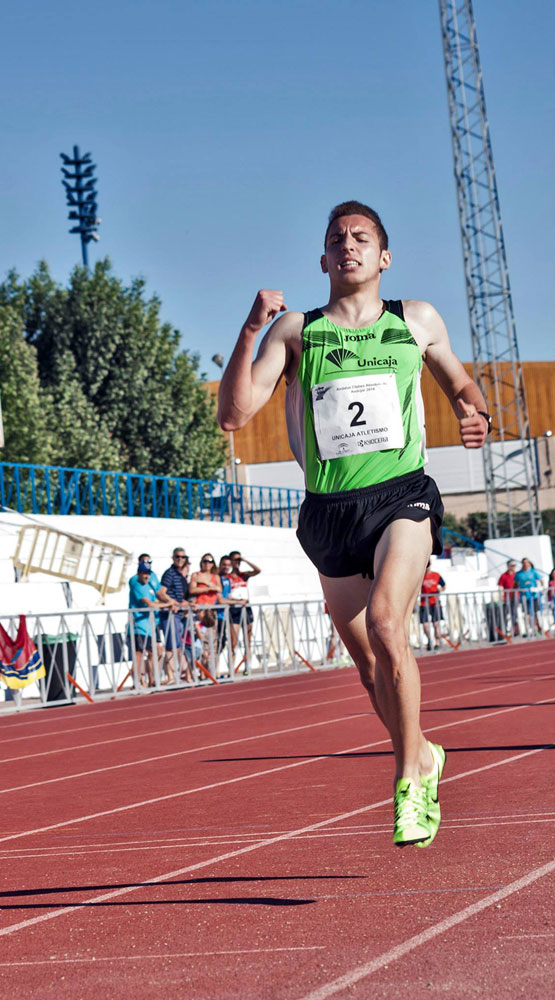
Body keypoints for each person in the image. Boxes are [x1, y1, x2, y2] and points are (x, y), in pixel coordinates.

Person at [217, 200, 489, 847]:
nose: (348, 245)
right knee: (369, 668)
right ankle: (421, 752)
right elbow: (234, 415)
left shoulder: (414, 320)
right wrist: (250, 329)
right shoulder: (295, 331)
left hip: (400, 497)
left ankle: (408, 784)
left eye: (361, 237)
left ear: (382, 256)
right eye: (336, 238)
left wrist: (472, 413)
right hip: (328, 512)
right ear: (322, 259)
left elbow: (460, 386)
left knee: (391, 625)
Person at [128, 561, 170, 686]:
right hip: (138, 626)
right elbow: (150, 604)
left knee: (154, 652)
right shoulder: (136, 584)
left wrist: (173, 602)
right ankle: (139, 681)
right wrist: (167, 604)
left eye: (148, 573)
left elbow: (159, 595)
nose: (146, 576)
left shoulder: (149, 585)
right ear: (138, 573)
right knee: (139, 653)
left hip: (151, 625)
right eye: (143, 573)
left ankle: (152, 679)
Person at [160, 547, 191, 682]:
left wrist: (188, 605)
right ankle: (172, 676)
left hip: (178, 615)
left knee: (177, 645)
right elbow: (161, 592)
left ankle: (178, 674)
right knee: (171, 645)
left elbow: (179, 598)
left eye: (183, 557)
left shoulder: (180, 576)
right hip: (170, 614)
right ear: (173, 558)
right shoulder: (170, 574)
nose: (180, 559)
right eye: (177, 557)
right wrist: (172, 603)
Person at [228, 550, 261, 672]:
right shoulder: (228, 577)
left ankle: (248, 668)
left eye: (238, 560)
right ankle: (232, 669)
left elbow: (258, 570)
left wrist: (245, 560)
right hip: (234, 610)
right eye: (234, 560)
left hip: (246, 609)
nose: (237, 562)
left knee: (248, 640)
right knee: (234, 641)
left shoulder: (244, 575)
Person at [419, 560, 446, 651]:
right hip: (424, 603)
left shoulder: (436, 575)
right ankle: (429, 640)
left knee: (436, 623)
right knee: (425, 625)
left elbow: (444, 586)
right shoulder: (420, 576)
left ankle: (437, 642)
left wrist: (439, 590)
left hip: (435, 603)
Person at [514, 557, 545, 634]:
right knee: (526, 614)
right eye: (524, 562)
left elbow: (541, 580)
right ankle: (528, 629)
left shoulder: (533, 572)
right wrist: (515, 593)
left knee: (535, 613)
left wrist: (541, 589)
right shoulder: (519, 574)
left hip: (534, 596)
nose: (526, 564)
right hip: (524, 597)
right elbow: (515, 584)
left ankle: (538, 628)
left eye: (527, 562)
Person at [497, 560, 519, 636]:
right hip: (507, 598)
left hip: (516, 597)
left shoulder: (517, 575)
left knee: (515, 614)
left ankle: (515, 630)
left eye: (514, 565)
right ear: (508, 566)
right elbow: (500, 587)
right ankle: (506, 631)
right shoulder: (503, 576)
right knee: (506, 615)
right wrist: (501, 596)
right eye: (512, 565)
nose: (513, 567)